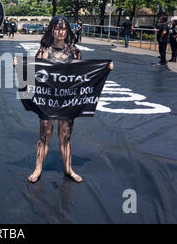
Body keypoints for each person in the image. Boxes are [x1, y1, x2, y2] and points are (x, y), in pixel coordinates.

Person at [14, 15, 114, 184]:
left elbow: (83, 75)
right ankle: (38, 168)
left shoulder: (74, 51)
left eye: (63, 29)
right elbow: (34, 74)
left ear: (67, 31)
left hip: (67, 100)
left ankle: (68, 169)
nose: (60, 32)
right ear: (52, 30)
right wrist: (21, 66)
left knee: (65, 136)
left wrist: (105, 69)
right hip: (48, 101)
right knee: (44, 135)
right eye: (57, 28)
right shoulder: (44, 51)